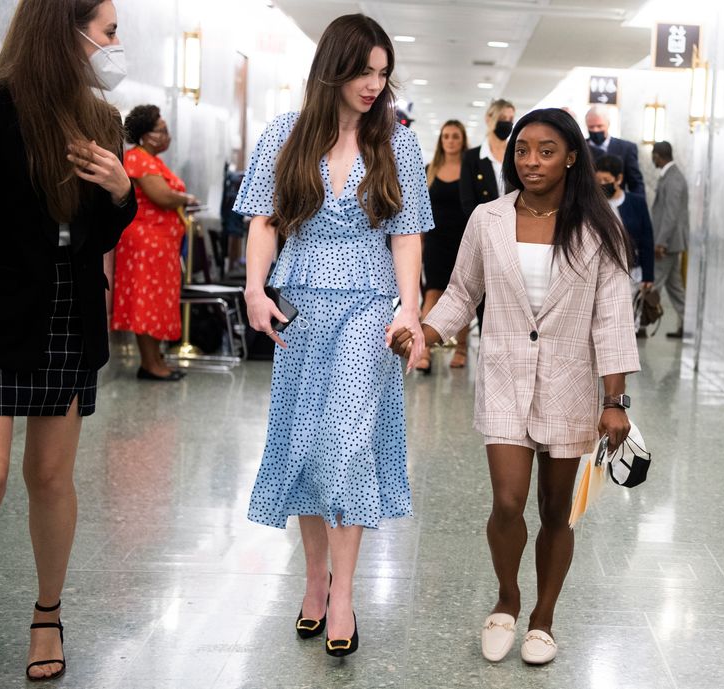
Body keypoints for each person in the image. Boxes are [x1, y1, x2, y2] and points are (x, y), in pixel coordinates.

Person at [389, 108, 639, 666]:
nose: (531, 161)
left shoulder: (600, 229)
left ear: (572, 155)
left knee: (556, 511)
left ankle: (543, 619)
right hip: (503, 375)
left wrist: (614, 401)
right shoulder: (489, 219)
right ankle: (506, 599)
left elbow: (613, 319)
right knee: (507, 501)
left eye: (546, 151)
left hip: (570, 382)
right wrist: (422, 332)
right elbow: (461, 293)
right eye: (523, 150)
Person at [236, 14, 433, 658]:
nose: (375, 84)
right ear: (334, 68)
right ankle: (313, 578)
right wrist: (255, 287)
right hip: (303, 303)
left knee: (347, 446)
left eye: (383, 73)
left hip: (371, 308)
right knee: (308, 445)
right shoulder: (284, 135)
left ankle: (343, 591)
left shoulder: (396, 142)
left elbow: (407, 232)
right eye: (363, 71)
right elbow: (263, 219)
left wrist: (408, 310)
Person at [0, 0, 136, 681]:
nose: (115, 45)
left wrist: (121, 194)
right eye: (109, 30)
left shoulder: (102, 122)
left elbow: (94, 238)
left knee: (49, 476)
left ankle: (47, 613)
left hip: (67, 311)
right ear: (63, 31)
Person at [112, 104, 198, 381]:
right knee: (146, 304)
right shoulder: (138, 158)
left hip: (160, 245)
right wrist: (185, 198)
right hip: (144, 244)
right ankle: (150, 364)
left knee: (158, 303)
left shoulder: (153, 160)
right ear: (147, 136)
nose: (167, 135)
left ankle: (155, 360)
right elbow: (161, 196)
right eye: (162, 130)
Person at [418, 120, 470, 372]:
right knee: (432, 292)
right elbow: (420, 209)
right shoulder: (430, 169)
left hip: (464, 240)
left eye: (455, 136)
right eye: (446, 136)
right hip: (436, 241)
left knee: (462, 294)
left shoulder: (470, 169)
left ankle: (461, 348)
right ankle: (423, 349)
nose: (450, 141)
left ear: (462, 140)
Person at [460, 98, 515, 333]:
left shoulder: (516, 152)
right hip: (485, 233)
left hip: (515, 231)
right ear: (489, 119)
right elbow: (467, 200)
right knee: (485, 290)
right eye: (503, 119)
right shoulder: (473, 157)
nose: (507, 124)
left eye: (511, 119)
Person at [594, 154, 656, 335]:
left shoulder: (636, 203)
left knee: (626, 322)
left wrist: (648, 276)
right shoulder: (593, 204)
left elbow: (646, 239)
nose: (602, 184)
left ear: (619, 179)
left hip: (631, 272)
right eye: (598, 180)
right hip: (601, 271)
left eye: (606, 180)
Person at [650, 141, 690, 339]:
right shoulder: (670, 176)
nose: (652, 160)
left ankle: (637, 325)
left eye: (653, 156)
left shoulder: (674, 178)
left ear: (658, 155)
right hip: (671, 243)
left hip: (667, 244)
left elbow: (671, 214)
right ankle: (687, 325)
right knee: (675, 288)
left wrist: (661, 242)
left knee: (653, 284)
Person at [585, 106, 645, 195]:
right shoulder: (579, 147)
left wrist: (638, 205)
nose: (595, 130)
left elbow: (635, 183)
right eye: (591, 127)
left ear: (608, 124)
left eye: (599, 126)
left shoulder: (626, 148)